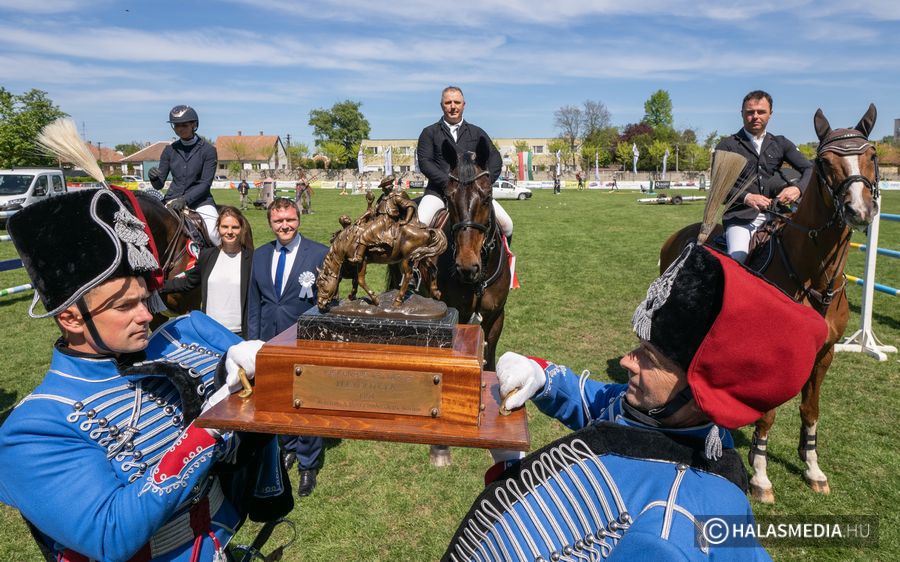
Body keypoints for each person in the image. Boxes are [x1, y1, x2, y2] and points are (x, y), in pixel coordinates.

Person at [444, 244, 827, 561]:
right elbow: (598, 403)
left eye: (649, 357)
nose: (627, 360)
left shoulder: (668, 535)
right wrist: (541, 376)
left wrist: (509, 474)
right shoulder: (663, 417)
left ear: (698, 393)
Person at [0, 188, 291, 562]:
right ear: (71, 318)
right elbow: (110, 534)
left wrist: (260, 371)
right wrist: (207, 429)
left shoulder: (187, 333)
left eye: (144, 299)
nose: (147, 315)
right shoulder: (32, 429)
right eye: (125, 305)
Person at [246, 197, 329, 498]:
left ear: (299, 219)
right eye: (279, 221)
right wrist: (253, 341)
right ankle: (287, 447)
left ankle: (308, 464)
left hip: (305, 340)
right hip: (269, 339)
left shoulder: (320, 253)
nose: (285, 226)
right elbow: (254, 303)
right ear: (270, 223)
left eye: (290, 220)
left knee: (307, 401)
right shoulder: (259, 255)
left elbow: (327, 302)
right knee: (280, 398)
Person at [717, 90, 813, 263]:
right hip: (741, 218)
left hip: (779, 215)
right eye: (750, 112)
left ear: (770, 114)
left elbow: (810, 169)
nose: (755, 116)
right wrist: (747, 197)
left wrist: (798, 189)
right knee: (737, 259)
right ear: (742, 114)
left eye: (761, 112)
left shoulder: (781, 143)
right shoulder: (727, 145)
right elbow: (718, 188)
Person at [417, 86, 514, 243]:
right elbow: (425, 163)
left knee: (507, 225)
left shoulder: (477, 132)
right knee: (419, 226)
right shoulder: (429, 132)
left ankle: (505, 266)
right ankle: (414, 267)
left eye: (457, 102)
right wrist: (450, 185)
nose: (453, 106)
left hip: (474, 195)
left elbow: (495, 158)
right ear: (442, 105)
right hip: (438, 194)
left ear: (464, 104)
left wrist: (484, 183)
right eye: (448, 102)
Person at [161, 206, 254, 337]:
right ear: (218, 228)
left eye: (235, 227)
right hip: (210, 331)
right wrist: (158, 286)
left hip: (240, 333)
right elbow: (188, 282)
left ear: (242, 229)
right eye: (225, 227)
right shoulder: (207, 256)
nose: (229, 232)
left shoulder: (253, 259)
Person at [149, 105, 220, 246]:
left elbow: (205, 184)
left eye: (184, 125)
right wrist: (154, 177)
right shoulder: (169, 150)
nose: (180, 129)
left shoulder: (208, 150)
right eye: (176, 125)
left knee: (214, 233)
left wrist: (185, 199)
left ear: (194, 124)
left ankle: (222, 260)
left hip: (201, 202)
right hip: (171, 201)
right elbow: (159, 185)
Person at [349, 176, 417, 264]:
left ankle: (359, 257)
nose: (383, 189)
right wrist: (368, 206)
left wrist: (407, 220)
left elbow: (410, 205)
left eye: (384, 187)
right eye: (382, 187)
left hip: (387, 222)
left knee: (364, 235)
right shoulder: (382, 197)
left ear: (389, 187)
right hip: (378, 219)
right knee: (361, 227)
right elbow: (373, 211)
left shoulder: (396, 197)